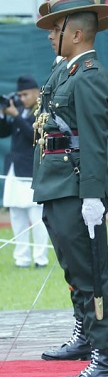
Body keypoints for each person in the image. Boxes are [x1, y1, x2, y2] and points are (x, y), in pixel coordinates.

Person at [32, 0, 108, 377]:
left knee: (92, 276)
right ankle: (86, 336)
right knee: (75, 271)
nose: (50, 35)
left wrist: (91, 196)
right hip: (57, 185)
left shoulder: (89, 77)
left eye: (56, 28)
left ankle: (105, 361)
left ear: (77, 33)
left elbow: (94, 142)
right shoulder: (68, 72)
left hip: (76, 187)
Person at [1, 75, 51, 268]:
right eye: (20, 95)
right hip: (14, 170)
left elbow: (35, 135)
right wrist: (3, 114)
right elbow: (3, 132)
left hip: (31, 171)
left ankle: (40, 258)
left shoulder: (43, 111)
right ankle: (21, 258)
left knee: (36, 217)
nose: (22, 98)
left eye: (25, 94)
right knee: (16, 215)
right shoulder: (19, 110)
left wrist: (16, 116)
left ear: (36, 92)